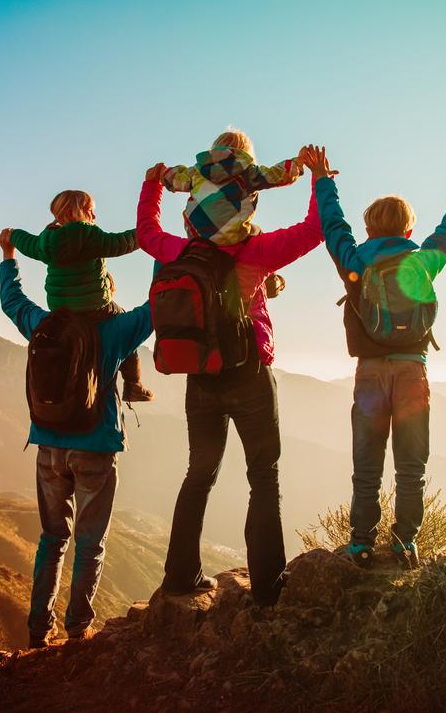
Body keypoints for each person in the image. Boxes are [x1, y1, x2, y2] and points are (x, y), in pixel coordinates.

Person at [137, 160, 323, 607]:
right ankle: (266, 588)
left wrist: (151, 185)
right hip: (249, 374)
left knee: (198, 474)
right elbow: (315, 229)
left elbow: (146, 231)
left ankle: (180, 577)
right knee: (264, 476)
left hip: (200, 376)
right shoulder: (257, 250)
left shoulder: (178, 251)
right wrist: (320, 178)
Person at [303, 145, 446, 569]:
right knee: (411, 467)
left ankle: (360, 544)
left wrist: (322, 179)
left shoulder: (354, 263)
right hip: (412, 371)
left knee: (366, 467)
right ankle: (405, 543)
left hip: (370, 374)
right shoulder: (421, 262)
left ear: (370, 227)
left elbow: (334, 226)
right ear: (409, 228)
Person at [0, 228, 154, 647]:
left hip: (48, 447)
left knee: (51, 540)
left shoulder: (41, 325)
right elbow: (154, 309)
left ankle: (37, 630)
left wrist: (9, 257)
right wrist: (163, 252)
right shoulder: (113, 330)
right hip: (96, 449)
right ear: (99, 278)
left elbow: (12, 301)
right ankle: (78, 629)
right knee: (90, 543)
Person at [6, 189, 154, 402]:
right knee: (124, 326)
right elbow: (121, 242)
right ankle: (134, 384)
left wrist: (12, 235)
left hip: (61, 311)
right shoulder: (90, 235)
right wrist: (147, 232)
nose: (94, 216)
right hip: (96, 308)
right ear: (79, 212)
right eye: (91, 211)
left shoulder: (46, 242)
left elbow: (27, 244)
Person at [160, 128, 307, 246]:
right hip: (233, 237)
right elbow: (275, 175)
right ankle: (270, 278)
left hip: (197, 234)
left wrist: (163, 172)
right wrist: (297, 163)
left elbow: (175, 179)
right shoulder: (248, 172)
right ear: (245, 153)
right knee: (257, 232)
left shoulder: (196, 171)